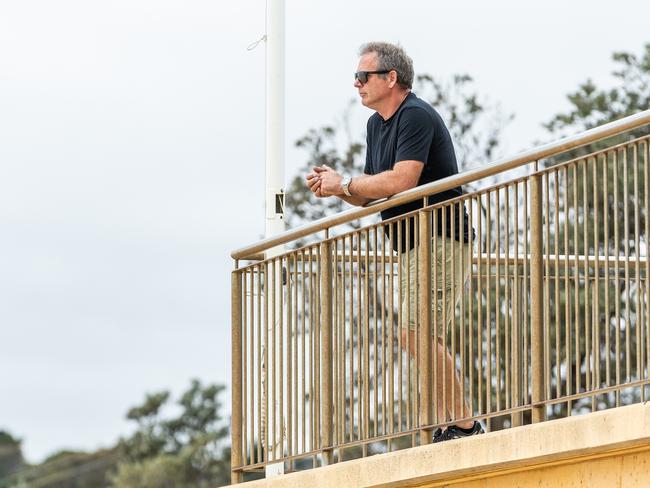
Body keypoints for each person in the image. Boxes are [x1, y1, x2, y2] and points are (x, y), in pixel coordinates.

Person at [306, 41, 483, 442]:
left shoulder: (416, 115)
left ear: (391, 78)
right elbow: (371, 192)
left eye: (363, 76)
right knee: (417, 334)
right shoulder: (376, 125)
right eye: (355, 77)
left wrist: (346, 182)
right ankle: (450, 425)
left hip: (440, 235)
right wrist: (335, 187)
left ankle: (464, 425)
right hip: (412, 243)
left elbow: (403, 179)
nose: (356, 84)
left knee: (418, 333)